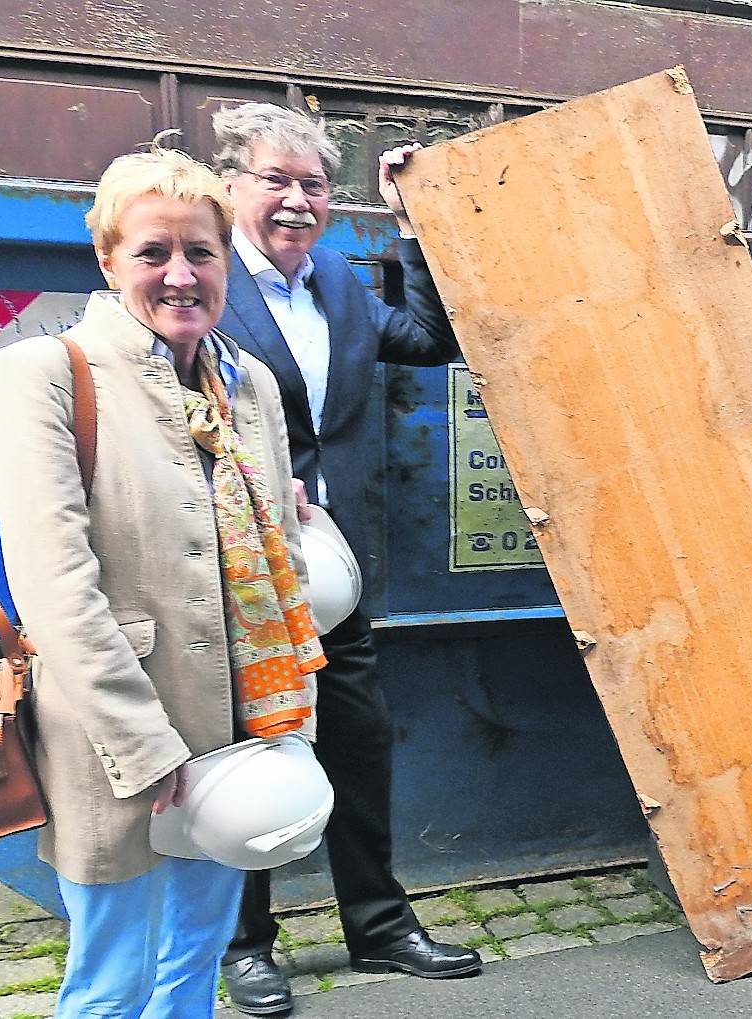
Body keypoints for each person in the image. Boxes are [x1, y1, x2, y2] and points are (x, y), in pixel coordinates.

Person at [0, 148, 323, 1017]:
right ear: (107, 260)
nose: (180, 275)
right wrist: (144, 746)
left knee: (195, 966)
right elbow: (53, 584)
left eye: (201, 252)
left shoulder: (247, 384)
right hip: (117, 736)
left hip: (239, 728)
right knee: (111, 979)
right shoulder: (48, 374)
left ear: (224, 260)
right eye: (152, 253)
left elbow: (277, 553)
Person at [211, 102, 474, 1014]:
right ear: (232, 186)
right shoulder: (206, 284)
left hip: (337, 566)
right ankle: (245, 943)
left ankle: (380, 924)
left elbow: (430, 340)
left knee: (358, 740)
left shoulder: (334, 279)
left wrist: (411, 226)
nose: (295, 200)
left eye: (313, 185)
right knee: (250, 749)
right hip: (238, 569)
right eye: (274, 180)